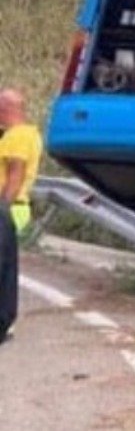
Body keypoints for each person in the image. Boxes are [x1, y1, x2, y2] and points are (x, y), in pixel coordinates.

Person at [0, 88, 43, 343]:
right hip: (11, 207)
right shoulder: (22, 134)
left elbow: (15, 176)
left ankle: (4, 320)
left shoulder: (18, 137)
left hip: (8, 208)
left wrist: (2, 208)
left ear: (6, 108)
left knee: (3, 265)